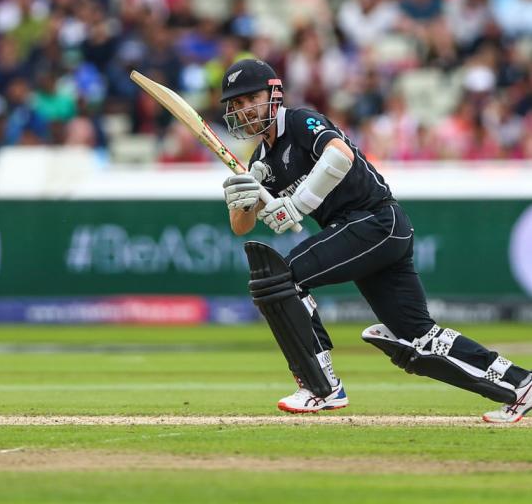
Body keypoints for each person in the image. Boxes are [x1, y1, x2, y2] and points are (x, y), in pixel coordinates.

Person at [220, 58, 532, 423]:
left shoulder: (302, 121)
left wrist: (298, 203)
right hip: (369, 233)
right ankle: (521, 384)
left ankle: (321, 387)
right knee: (418, 337)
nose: (245, 109)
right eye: (237, 104)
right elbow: (242, 226)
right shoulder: (262, 160)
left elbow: (340, 155)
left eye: (250, 98)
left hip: (375, 220)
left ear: (273, 94)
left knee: (280, 276)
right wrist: (241, 199)